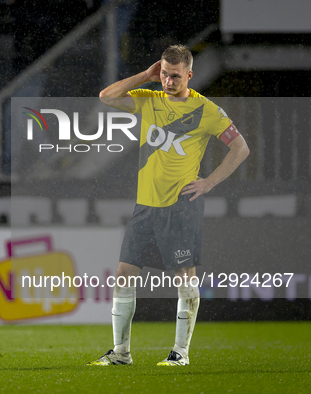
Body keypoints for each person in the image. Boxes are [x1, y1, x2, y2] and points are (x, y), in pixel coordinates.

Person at [88, 45, 249, 366]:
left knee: (184, 276)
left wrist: (209, 182)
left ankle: (181, 353)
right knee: (123, 273)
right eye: (163, 73)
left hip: (180, 205)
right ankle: (121, 353)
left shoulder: (207, 110)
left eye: (174, 76)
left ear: (189, 75)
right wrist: (144, 76)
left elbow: (240, 148)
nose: (167, 81)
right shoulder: (150, 100)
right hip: (145, 206)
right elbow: (107, 96)